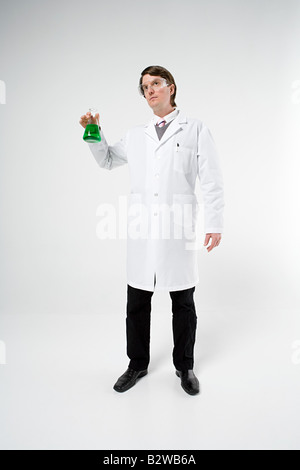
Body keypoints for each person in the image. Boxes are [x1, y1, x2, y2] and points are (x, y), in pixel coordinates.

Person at [79, 65, 225, 396]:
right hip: (143, 231)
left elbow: (212, 179)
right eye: (145, 87)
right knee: (137, 301)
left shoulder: (195, 129)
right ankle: (136, 365)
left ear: (171, 87)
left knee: (183, 300)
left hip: (178, 228)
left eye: (156, 84)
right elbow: (107, 160)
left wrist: (214, 223)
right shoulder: (135, 135)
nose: (150, 91)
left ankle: (184, 367)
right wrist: (93, 132)